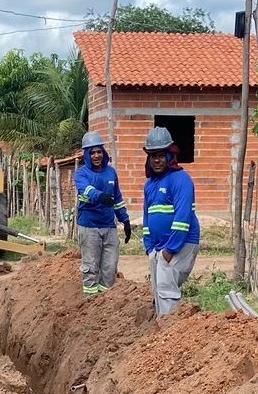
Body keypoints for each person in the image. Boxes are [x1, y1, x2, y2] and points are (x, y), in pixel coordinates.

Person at [141, 127, 200, 316]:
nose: (156, 160)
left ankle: (169, 333)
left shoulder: (180, 179)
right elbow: (147, 217)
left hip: (180, 244)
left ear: (169, 156)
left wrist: (169, 249)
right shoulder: (150, 184)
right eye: (152, 156)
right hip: (158, 248)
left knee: (166, 287)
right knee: (158, 289)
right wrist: (149, 247)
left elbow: (183, 219)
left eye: (160, 155)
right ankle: (162, 330)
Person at [74, 131, 132, 298]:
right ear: (86, 154)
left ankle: (104, 303)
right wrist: (100, 196)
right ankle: (90, 303)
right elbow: (86, 190)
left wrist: (125, 219)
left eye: (99, 151)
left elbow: (118, 198)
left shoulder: (111, 172)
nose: (96, 155)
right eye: (92, 152)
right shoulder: (81, 174)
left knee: (110, 267)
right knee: (90, 268)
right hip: (89, 227)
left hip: (109, 227)